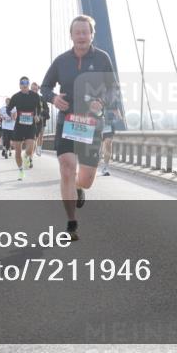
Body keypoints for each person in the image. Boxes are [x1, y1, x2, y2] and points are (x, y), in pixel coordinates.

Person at [41, 15, 122, 241]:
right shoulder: (61, 61)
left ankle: (79, 188)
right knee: (67, 168)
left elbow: (113, 88)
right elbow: (45, 87)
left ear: (91, 35)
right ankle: (71, 222)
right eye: (77, 32)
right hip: (66, 121)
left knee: (85, 179)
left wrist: (103, 102)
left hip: (91, 125)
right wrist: (54, 98)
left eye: (85, 32)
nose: (81, 36)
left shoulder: (103, 59)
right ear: (71, 36)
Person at [8, 77, 42, 180]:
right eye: (22, 83)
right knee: (17, 151)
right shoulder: (15, 97)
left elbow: (39, 109)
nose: (24, 84)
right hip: (19, 126)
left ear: (28, 84)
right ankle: (21, 171)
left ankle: (27, 157)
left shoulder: (35, 96)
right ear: (19, 85)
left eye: (26, 83)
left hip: (30, 125)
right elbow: (8, 109)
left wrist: (38, 116)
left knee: (30, 149)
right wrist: (11, 114)